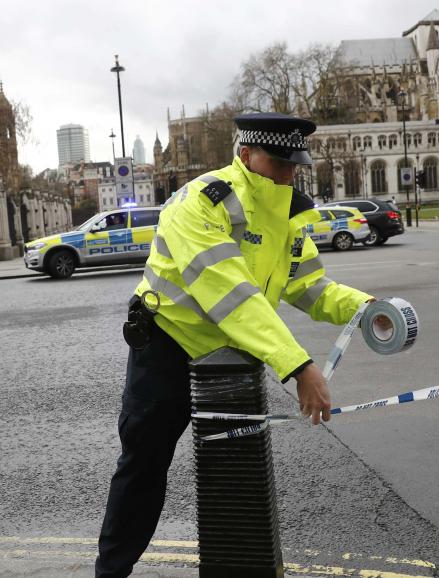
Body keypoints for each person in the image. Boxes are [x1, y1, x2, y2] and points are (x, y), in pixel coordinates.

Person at [95, 112, 386, 578]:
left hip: (229, 361)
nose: (290, 173)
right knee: (143, 469)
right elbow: (233, 296)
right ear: (246, 154)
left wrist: (367, 308)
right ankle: (110, 572)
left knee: (235, 472)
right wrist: (297, 366)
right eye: (279, 162)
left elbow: (311, 287)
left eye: (296, 164)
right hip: (167, 347)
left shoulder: (286, 213)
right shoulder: (203, 202)